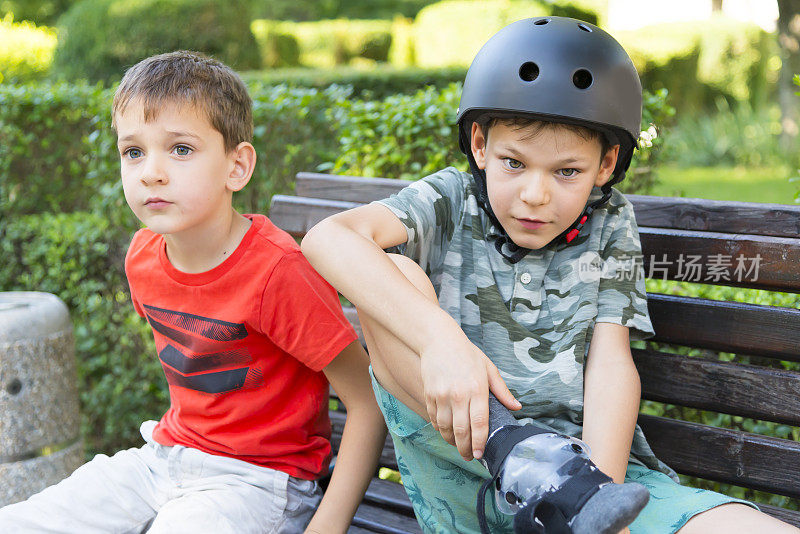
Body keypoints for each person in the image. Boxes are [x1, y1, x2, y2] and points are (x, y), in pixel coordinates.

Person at [301, 17, 799, 534]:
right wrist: (442, 342)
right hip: (462, 468)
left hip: (584, 471)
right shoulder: (452, 199)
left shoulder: (608, 221)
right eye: (514, 163)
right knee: (397, 269)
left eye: (566, 172)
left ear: (605, 165)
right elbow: (328, 238)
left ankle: (566, 489)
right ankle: (512, 449)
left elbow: (610, 363)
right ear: (479, 144)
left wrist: (594, 502)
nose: (535, 195)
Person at [0, 50, 387, 534]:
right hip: (164, 458)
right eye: (133, 151)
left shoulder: (276, 271)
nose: (151, 172)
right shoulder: (142, 258)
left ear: (237, 167)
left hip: (259, 480)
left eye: (180, 149)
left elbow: (368, 401)